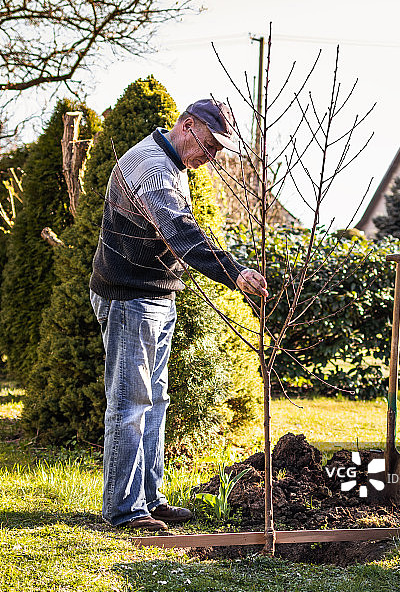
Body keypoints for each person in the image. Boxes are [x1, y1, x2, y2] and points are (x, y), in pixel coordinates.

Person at [89, 99, 268, 533]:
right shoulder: (153, 170)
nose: (212, 158)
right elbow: (182, 235)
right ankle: (125, 510)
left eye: (218, 151)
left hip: (155, 296)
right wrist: (235, 272)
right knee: (131, 405)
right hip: (130, 297)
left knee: (155, 404)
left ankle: (149, 499)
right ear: (186, 126)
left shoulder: (172, 167)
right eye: (209, 147)